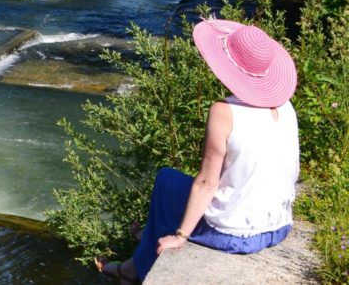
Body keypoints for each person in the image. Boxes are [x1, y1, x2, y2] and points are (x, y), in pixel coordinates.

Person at [95, 18, 300, 283]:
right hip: (279, 227)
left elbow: (206, 183)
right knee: (176, 192)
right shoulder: (285, 105)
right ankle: (145, 241)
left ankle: (132, 269)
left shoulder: (224, 111)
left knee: (167, 179)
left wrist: (180, 236)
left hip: (236, 236)